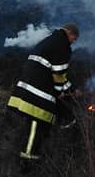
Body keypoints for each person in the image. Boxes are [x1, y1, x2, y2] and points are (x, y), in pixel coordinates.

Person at [7, 22, 80, 163]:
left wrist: (71, 89)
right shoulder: (62, 45)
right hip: (38, 91)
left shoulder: (50, 41)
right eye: (74, 39)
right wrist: (62, 92)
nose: (73, 42)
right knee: (36, 123)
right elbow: (59, 74)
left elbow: (57, 74)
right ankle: (27, 162)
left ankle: (35, 156)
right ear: (70, 33)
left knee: (40, 125)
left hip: (32, 86)